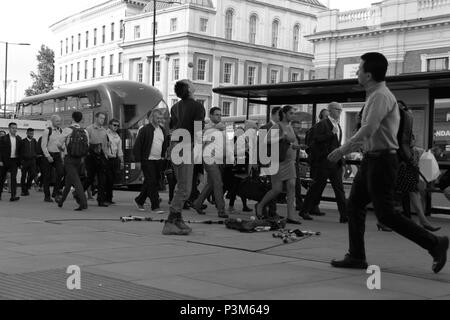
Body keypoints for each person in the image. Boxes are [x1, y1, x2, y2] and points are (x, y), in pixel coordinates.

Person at [328, 52, 448, 274]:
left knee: (385, 214)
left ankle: (435, 243)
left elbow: (369, 129)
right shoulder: (375, 95)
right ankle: (356, 256)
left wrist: (343, 149)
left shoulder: (381, 96)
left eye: (360, 68)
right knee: (354, 205)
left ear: (369, 74)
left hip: (382, 160)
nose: (357, 72)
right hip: (372, 160)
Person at [165, 79, 205, 235]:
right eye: (190, 82)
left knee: (181, 185)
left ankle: (178, 220)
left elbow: (172, 128)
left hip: (175, 146)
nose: (193, 82)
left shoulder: (175, 107)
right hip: (185, 147)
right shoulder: (198, 107)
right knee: (185, 189)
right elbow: (197, 131)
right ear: (189, 88)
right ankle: (170, 222)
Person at [299, 102, 348, 223]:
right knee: (316, 188)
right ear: (330, 110)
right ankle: (304, 210)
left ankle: (344, 215)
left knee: (339, 189)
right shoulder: (322, 124)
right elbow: (316, 140)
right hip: (324, 163)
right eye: (337, 110)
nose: (340, 112)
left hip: (335, 163)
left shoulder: (337, 125)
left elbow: (336, 144)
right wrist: (331, 134)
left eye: (341, 110)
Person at [256, 105, 302, 225]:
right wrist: (281, 137)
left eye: (294, 113)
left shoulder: (290, 127)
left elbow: (289, 143)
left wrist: (297, 147)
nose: (293, 115)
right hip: (278, 161)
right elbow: (266, 140)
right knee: (277, 189)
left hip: (290, 161)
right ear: (285, 114)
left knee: (292, 186)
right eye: (291, 113)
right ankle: (260, 206)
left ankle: (291, 216)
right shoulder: (277, 125)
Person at [193, 107, 228, 218]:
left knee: (211, 184)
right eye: (217, 114)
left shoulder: (222, 127)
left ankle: (197, 204)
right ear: (211, 116)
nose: (219, 116)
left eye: (220, 115)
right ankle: (221, 209)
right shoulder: (207, 127)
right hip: (208, 157)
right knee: (218, 183)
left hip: (218, 158)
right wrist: (214, 128)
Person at [133, 108, 168, 214]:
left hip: (158, 160)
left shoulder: (162, 130)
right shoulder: (145, 130)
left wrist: (163, 157)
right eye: (157, 118)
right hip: (147, 160)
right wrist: (138, 161)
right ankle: (155, 206)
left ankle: (139, 200)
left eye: (161, 118)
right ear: (152, 118)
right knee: (152, 182)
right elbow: (137, 146)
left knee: (151, 182)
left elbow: (164, 145)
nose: (159, 120)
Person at [57, 111, 89, 211]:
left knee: (76, 181)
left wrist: (63, 149)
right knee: (69, 180)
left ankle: (83, 203)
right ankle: (61, 201)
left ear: (72, 118)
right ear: (81, 119)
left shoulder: (68, 130)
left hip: (69, 159)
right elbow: (87, 145)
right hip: (79, 159)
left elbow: (58, 143)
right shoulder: (85, 131)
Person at [84, 112, 109, 207]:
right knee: (90, 178)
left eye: (104, 118)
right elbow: (86, 144)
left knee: (102, 179)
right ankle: (79, 193)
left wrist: (106, 156)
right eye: (101, 118)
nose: (102, 120)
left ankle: (101, 200)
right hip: (91, 156)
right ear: (96, 118)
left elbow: (105, 145)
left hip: (101, 156)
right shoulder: (89, 129)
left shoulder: (104, 130)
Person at [41, 115, 64, 202]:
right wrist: (48, 156)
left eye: (60, 121)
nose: (59, 122)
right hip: (49, 155)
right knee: (47, 176)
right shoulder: (47, 131)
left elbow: (62, 144)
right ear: (52, 121)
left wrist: (62, 152)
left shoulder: (61, 131)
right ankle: (47, 196)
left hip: (57, 155)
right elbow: (43, 145)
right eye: (57, 121)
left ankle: (55, 192)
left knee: (61, 173)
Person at [0, 123, 22, 201]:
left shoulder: (19, 139)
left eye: (16, 128)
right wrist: (0, 161)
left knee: (13, 179)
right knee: (2, 179)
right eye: (13, 128)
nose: (14, 129)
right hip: (5, 161)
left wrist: (20, 163)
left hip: (14, 161)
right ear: (9, 128)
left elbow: (20, 152)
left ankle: (13, 196)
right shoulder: (3, 138)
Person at [105, 119, 124, 205]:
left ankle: (109, 198)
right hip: (106, 159)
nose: (116, 127)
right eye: (114, 125)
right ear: (109, 125)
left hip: (114, 159)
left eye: (117, 125)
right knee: (107, 179)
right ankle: (104, 198)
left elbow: (119, 150)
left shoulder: (117, 136)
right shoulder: (105, 134)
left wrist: (122, 161)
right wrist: (106, 145)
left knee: (112, 179)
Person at [19, 128, 38, 196]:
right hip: (24, 161)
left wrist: (35, 156)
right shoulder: (22, 141)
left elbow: (36, 150)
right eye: (30, 133)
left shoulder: (34, 141)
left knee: (33, 174)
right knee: (23, 176)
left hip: (32, 161)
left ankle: (27, 187)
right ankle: (23, 191)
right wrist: (20, 163)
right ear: (26, 133)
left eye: (32, 133)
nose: (31, 134)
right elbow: (20, 153)